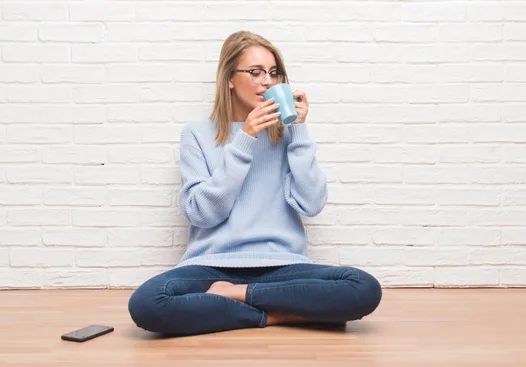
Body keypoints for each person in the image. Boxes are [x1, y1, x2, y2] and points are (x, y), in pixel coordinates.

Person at [128, 30, 382, 337]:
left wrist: (299, 133)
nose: (267, 82)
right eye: (256, 72)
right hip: (212, 265)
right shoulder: (195, 134)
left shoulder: (288, 135)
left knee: (364, 288)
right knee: (147, 304)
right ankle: (282, 316)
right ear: (230, 79)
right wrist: (245, 139)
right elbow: (202, 214)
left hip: (282, 266)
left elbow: (312, 204)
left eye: (274, 74)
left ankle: (237, 297)